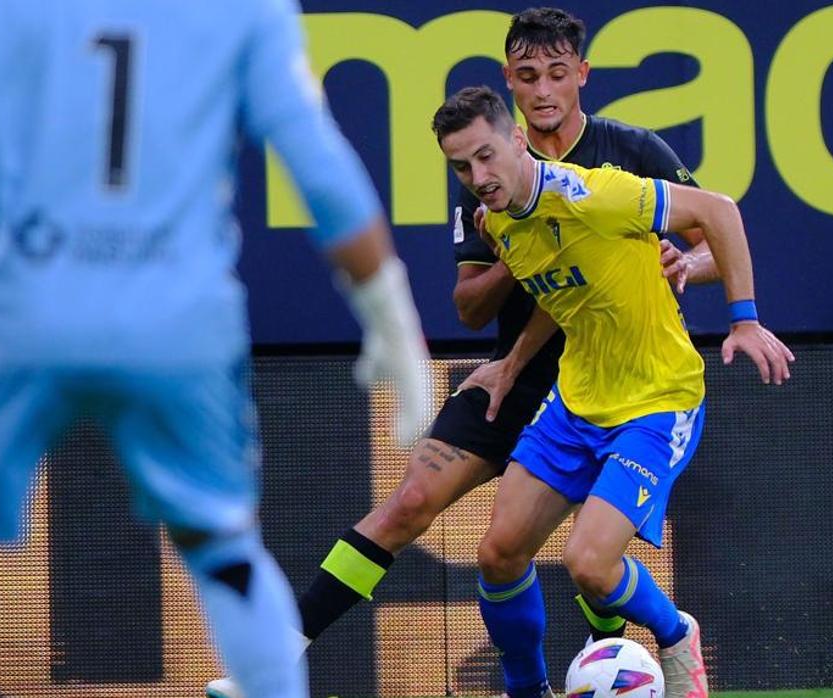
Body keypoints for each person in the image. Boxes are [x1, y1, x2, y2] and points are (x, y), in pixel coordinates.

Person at [0, 0, 433, 696]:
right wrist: (389, 312)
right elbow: (317, 159)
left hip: (23, 321)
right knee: (228, 554)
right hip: (178, 326)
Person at [208, 7, 718, 698]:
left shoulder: (627, 153)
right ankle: (271, 666)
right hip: (520, 372)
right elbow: (470, 303)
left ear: (582, 78)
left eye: (557, 75)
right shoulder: (486, 168)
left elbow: (714, 233)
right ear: (509, 83)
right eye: (528, 76)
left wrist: (681, 262)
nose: (543, 91)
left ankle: (625, 660)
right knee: (413, 505)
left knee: (592, 557)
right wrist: (519, 241)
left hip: (625, 377)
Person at [433, 85, 792, 698]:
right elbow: (564, 289)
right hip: (576, 403)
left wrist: (745, 318)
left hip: (656, 400)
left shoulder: (596, 193)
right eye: (462, 166)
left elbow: (719, 211)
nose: (479, 175)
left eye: (487, 156)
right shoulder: (499, 224)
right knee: (496, 555)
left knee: (590, 565)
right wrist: (512, 363)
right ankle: (529, 691)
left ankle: (677, 634)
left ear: (518, 139)